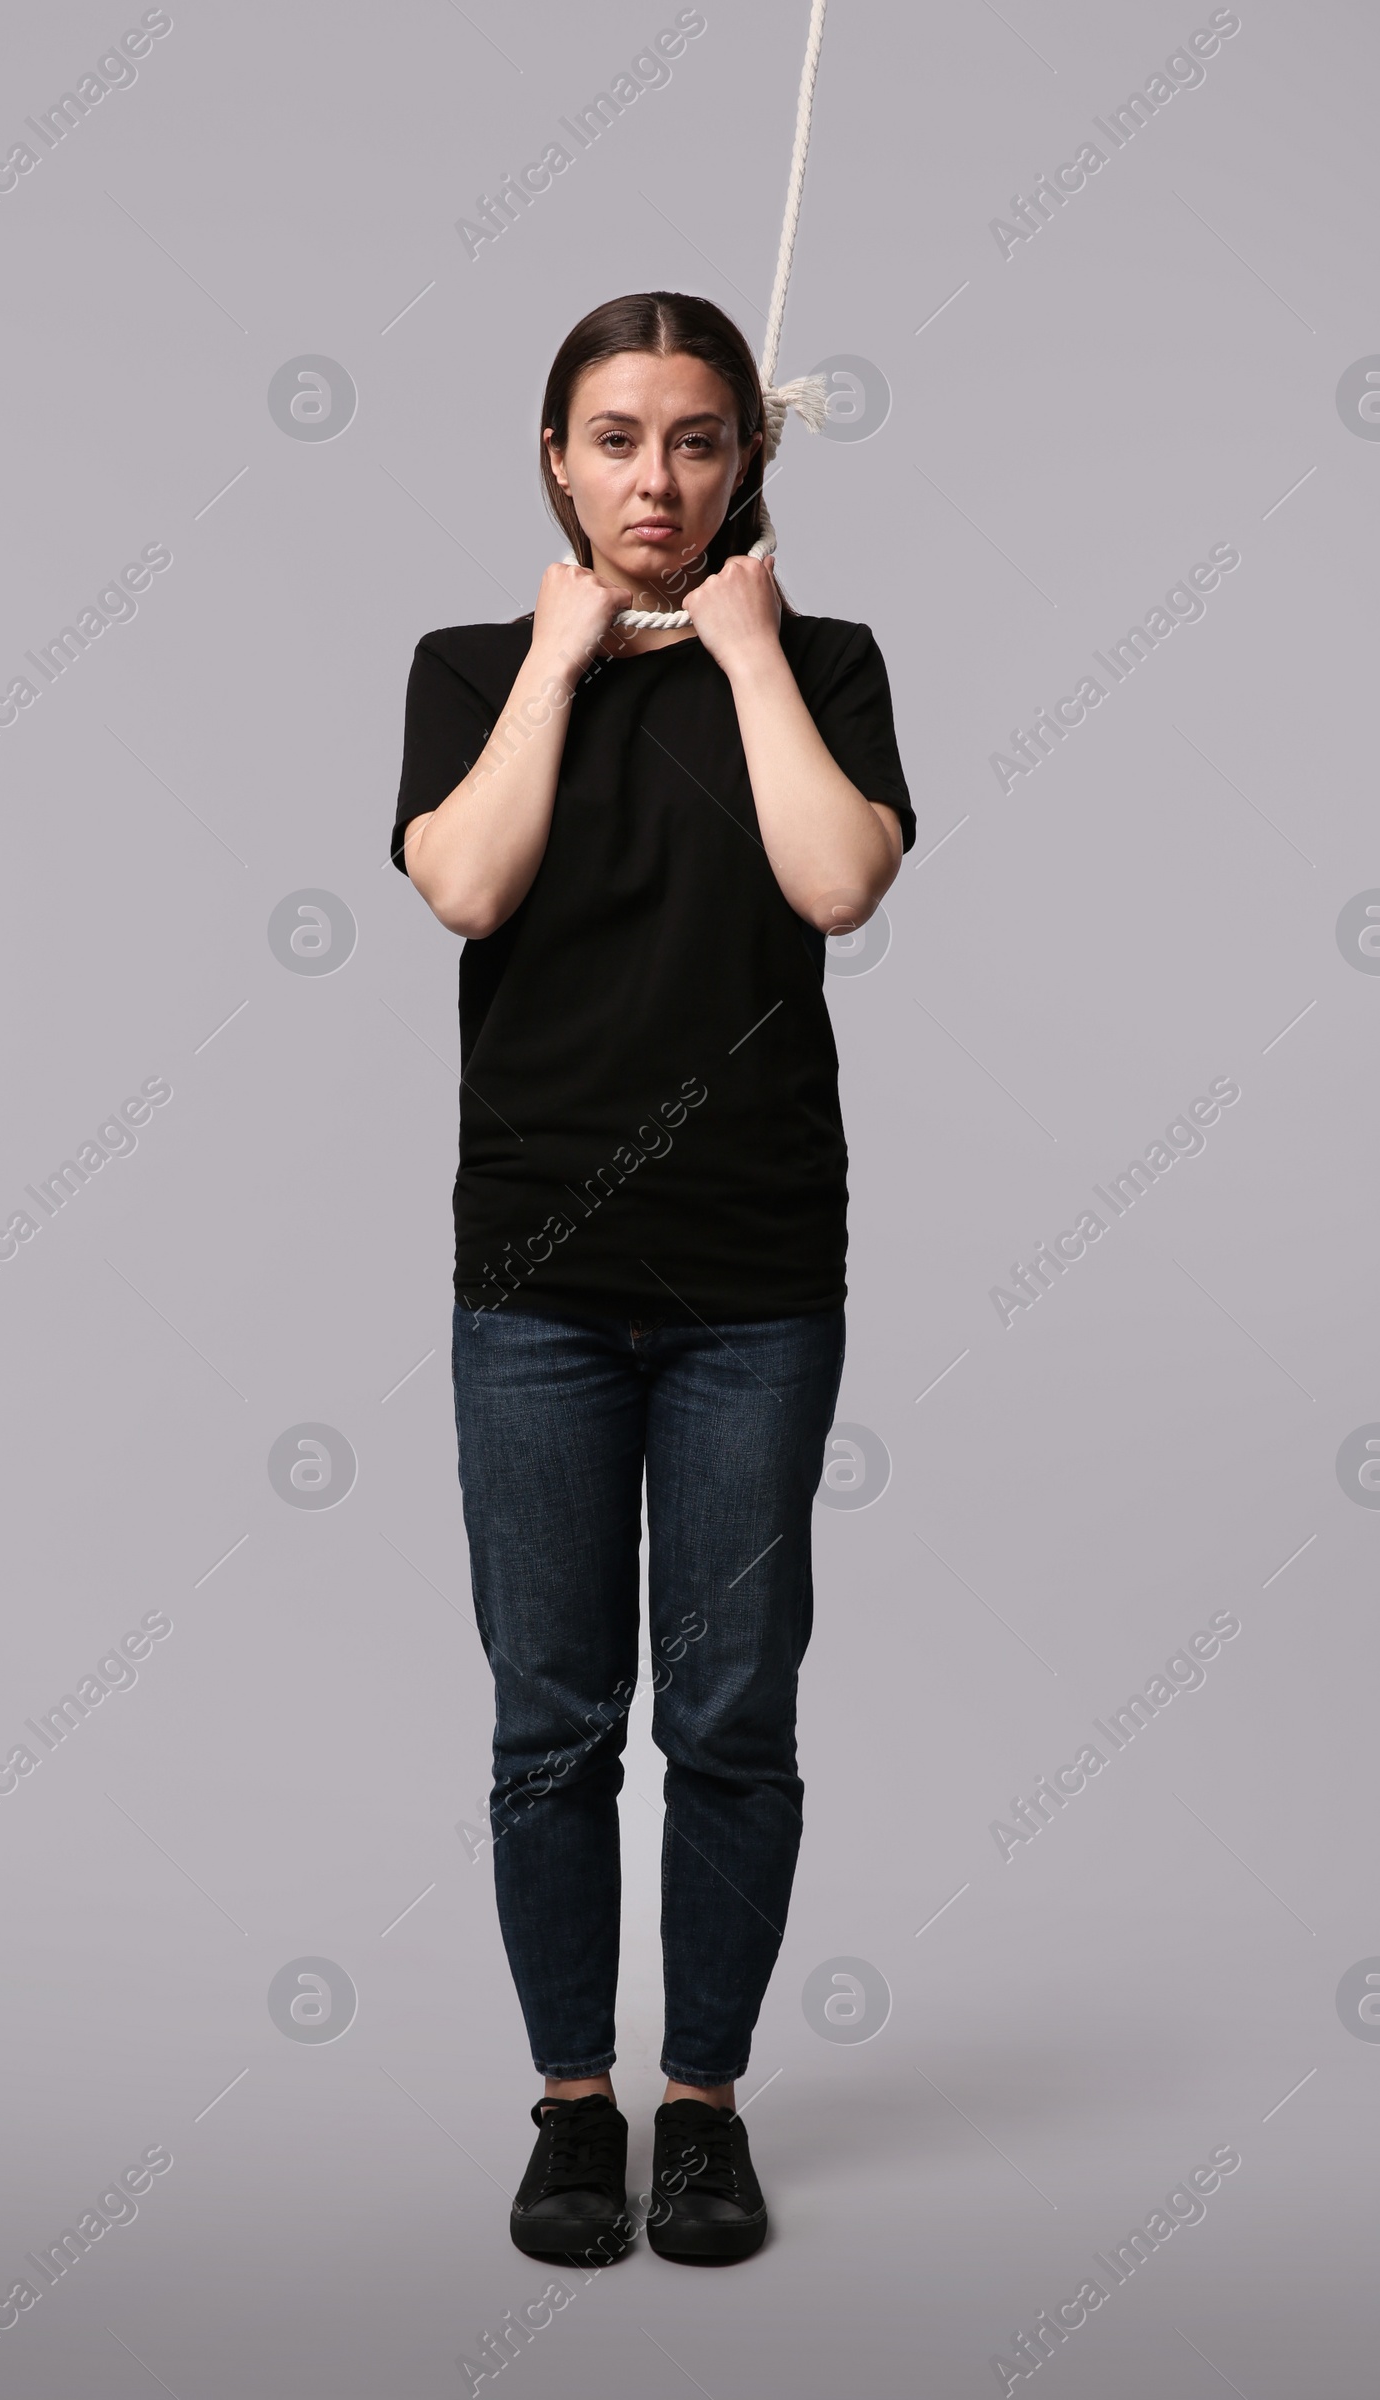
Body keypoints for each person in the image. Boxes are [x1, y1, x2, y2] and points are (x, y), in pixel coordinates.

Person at [391, 291, 914, 2264]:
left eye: (696, 439)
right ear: (553, 458)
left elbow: (835, 882)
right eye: (614, 438)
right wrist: (552, 664)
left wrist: (749, 655)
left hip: (753, 1285)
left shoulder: (825, 660)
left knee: (728, 1715)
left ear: (745, 459)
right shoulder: (468, 664)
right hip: (533, 1282)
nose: (654, 477)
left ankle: (696, 2110)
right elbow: (464, 882)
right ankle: (566, 2110)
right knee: (545, 1716)